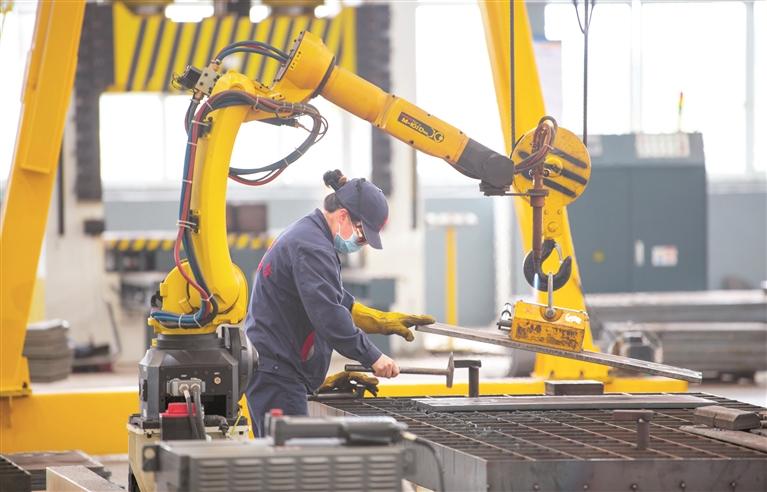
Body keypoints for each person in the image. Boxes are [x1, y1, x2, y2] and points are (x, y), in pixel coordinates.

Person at [243, 170, 435, 436]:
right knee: (289, 458)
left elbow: (331, 297)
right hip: (278, 375)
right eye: (362, 235)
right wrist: (373, 357)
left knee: (279, 455)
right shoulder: (312, 247)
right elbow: (329, 315)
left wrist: (377, 319)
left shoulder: (310, 234)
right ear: (343, 216)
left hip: (276, 370)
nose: (361, 243)